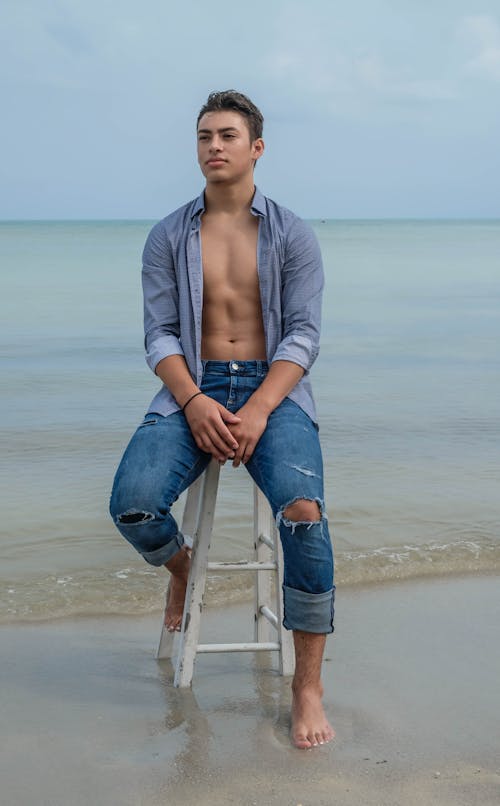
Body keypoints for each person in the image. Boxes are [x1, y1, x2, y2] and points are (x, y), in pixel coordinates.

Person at [109, 90, 335, 749]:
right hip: (195, 386)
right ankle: (182, 569)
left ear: (255, 148)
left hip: (274, 387)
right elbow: (159, 338)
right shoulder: (167, 235)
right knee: (133, 504)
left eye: (228, 135)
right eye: (205, 135)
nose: (214, 146)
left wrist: (261, 408)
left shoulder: (292, 234)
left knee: (305, 513)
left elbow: (304, 336)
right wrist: (195, 401)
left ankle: (307, 687)